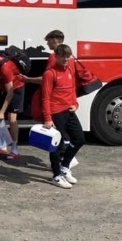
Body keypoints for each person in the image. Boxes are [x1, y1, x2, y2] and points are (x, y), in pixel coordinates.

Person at [41, 43, 84, 189]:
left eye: (68, 56)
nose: (65, 59)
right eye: (62, 57)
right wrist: (48, 118)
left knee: (79, 139)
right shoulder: (50, 73)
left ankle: (65, 167)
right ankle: (56, 176)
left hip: (69, 111)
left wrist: (75, 104)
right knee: (58, 144)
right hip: (55, 113)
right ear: (56, 57)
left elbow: (72, 90)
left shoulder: (70, 70)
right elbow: (45, 97)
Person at [0, 48, 25, 161]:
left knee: (11, 118)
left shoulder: (5, 68)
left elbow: (10, 92)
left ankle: (14, 148)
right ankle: (2, 144)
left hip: (16, 88)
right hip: (2, 87)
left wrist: (3, 111)